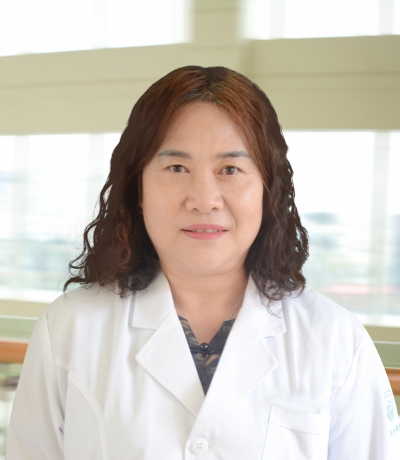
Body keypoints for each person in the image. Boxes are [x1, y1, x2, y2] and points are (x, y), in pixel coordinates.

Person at [6, 66, 399, 459]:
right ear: (137, 188)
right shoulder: (69, 329)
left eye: (230, 169)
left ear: (268, 190)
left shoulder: (335, 339)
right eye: (177, 168)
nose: (204, 199)